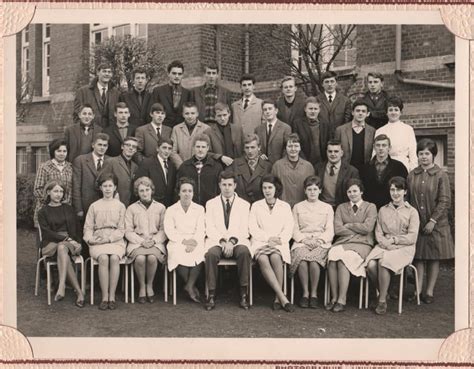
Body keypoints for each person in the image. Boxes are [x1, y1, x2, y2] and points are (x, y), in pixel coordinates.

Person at [407, 138, 454, 304]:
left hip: (436, 224)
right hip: (417, 224)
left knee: (433, 257)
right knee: (419, 257)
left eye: (427, 153)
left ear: (434, 155)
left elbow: (445, 201)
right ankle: (418, 291)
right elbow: (408, 199)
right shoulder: (412, 174)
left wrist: (432, 220)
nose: (424, 157)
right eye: (421, 153)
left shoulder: (441, 175)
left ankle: (429, 292)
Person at [365, 176, 420, 314]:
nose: (395, 193)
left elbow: (412, 237)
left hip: (404, 247)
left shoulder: (412, 212)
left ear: (405, 192)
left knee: (384, 261)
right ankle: (385, 291)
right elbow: (378, 232)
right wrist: (384, 243)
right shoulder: (383, 210)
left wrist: (394, 240)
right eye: (392, 190)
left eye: (399, 190)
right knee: (371, 264)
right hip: (384, 245)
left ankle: (382, 300)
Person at [326, 179, 377, 312]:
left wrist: (349, 225)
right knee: (333, 255)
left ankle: (342, 299)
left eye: (355, 191)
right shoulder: (341, 208)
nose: (352, 194)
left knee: (344, 259)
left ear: (361, 191)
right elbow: (338, 229)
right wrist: (356, 230)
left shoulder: (370, 207)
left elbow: (368, 228)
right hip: (343, 242)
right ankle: (334, 297)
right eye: (349, 191)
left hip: (363, 244)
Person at [204, 171, 252, 311]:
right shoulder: (211, 203)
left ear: (235, 185)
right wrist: (223, 242)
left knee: (244, 252)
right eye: (224, 184)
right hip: (217, 241)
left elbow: (244, 228)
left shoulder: (244, 204)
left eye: (230, 184)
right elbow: (210, 227)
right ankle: (211, 294)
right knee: (211, 254)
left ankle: (243, 293)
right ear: (219, 185)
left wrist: (231, 241)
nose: (227, 188)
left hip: (237, 240)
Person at [248, 174, 295, 312]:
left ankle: (276, 297)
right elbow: (252, 227)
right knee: (262, 258)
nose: (267, 190)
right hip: (260, 241)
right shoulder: (256, 206)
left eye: (270, 187)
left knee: (275, 257)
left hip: (279, 242)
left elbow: (289, 227)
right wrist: (268, 238)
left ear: (276, 188)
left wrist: (279, 239)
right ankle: (282, 296)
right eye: (264, 188)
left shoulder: (285, 206)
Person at [37, 180, 85, 307]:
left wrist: (77, 242)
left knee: (62, 248)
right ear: (48, 192)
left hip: (69, 242)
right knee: (62, 249)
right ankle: (78, 292)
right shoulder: (42, 212)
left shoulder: (68, 209)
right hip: (50, 244)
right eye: (55, 191)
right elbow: (47, 233)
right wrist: (65, 240)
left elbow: (76, 229)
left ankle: (62, 285)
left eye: (61, 191)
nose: (59, 194)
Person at [83, 172, 126, 310]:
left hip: (115, 240)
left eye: (110, 186)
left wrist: (109, 238)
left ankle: (112, 297)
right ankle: (104, 297)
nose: (107, 189)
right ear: (100, 188)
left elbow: (121, 229)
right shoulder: (94, 206)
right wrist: (90, 239)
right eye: (105, 186)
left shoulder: (120, 206)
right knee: (103, 258)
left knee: (114, 258)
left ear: (115, 188)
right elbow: (88, 227)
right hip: (98, 239)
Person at [291, 175, 334, 308]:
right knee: (303, 260)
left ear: (320, 190)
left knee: (314, 261)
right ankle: (305, 293)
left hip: (321, 242)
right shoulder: (298, 207)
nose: (312, 192)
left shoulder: (327, 208)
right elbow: (294, 228)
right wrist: (303, 240)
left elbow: (330, 229)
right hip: (302, 241)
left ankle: (314, 294)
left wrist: (320, 240)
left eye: (315, 189)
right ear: (305, 191)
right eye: (309, 189)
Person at [125, 177, 167, 304]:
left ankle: (150, 285)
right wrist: (140, 241)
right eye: (141, 190)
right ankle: (142, 287)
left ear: (151, 190)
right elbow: (127, 230)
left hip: (155, 242)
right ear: (137, 192)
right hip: (137, 242)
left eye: (147, 190)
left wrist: (154, 241)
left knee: (152, 258)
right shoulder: (131, 208)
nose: (144, 193)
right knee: (140, 258)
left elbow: (164, 229)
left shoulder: (160, 207)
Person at [163, 177, 205, 302]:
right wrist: (185, 242)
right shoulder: (171, 210)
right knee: (177, 253)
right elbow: (170, 231)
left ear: (193, 193)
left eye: (190, 191)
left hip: (195, 240)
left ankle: (188, 285)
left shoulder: (199, 209)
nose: (187, 194)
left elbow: (201, 229)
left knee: (199, 253)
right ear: (179, 192)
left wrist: (194, 242)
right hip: (177, 241)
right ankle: (191, 286)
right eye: (184, 191)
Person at [360, 134, 408, 210]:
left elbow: (405, 189)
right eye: (378, 145)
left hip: (392, 208)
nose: (381, 148)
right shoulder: (365, 168)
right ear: (374, 147)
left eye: (384, 145)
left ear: (389, 148)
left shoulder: (399, 167)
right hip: (370, 209)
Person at [34, 138, 73, 227]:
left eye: (64, 151)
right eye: (59, 151)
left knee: (63, 237)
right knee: (46, 237)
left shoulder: (70, 167)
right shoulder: (44, 167)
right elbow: (37, 189)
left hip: (64, 211)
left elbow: (70, 189)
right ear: (53, 151)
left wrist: (66, 202)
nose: (62, 154)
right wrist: (52, 202)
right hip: (46, 209)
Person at [176, 134, 223, 206]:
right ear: (193, 147)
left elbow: (220, 190)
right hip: (190, 208)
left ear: (207, 148)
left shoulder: (217, 167)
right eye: (198, 147)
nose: (200, 150)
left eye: (203, 147)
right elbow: (178, 190)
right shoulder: (184, 167)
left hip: (210, 208)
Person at [72, 133, 110, 220]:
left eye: (105, 145)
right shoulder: (80, 160)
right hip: (86, 206)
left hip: (105, 206)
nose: (102, 148)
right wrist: (78, 208)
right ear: (93, 145)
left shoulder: (110, 161)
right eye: (99, 144)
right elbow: (76, 186)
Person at [271, 133, 315, 208]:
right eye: (290, 146)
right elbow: (273, 187)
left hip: (303, 207)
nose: (293, 149)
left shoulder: (308, 166)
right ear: (285, 148)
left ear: (300, 148)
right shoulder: (277, 165)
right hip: (283, 206)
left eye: (296, 146)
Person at [374, 96, 417, 172]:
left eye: (396, 110)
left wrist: (412, 171)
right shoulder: (380, 131)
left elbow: (413, 153)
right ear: (386, 112)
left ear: (401, 112)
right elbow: (375, 152)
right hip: (384, 166)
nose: (393, 112)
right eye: (390, 110)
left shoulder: (408, 129)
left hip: (403, 166)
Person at [314, 140, 360, 209]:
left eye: (336, 151)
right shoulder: (318, 168)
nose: (333, 154)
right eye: (330, 151)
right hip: (322, 207)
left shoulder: (352, 171)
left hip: (343, 208)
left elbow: (356, 195)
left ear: (341, 153)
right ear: (326, 152)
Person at [74, 62, 120, 128]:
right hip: (91, 132)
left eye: (109, 72)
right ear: (98, 73)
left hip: (110, 133)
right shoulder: (83, 92)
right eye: (104, 71)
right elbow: (76, 115)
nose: (107, 74)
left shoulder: (116, 93)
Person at [335, 100, 376, 173]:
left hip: (365, 170)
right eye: (358, 111)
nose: (360, 113)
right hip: (345, 170)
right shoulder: (340, 130)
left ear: (368, 114)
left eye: (363, 111)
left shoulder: (372, 131)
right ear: (352, 112)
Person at [135, 137, 177, 208]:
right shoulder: (147, 163)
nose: (167, 151)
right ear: (157, 148)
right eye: (164, 148)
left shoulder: (172, 166)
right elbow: (139, 185)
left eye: (169, 148)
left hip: (168, 206)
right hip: (151, 205)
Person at [151, 60, 194, 129]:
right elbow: (152, 113)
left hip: (181, 130)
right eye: (174, 73)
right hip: (163, 129)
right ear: (168, 74)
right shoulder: (158, 91)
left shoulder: (187, 93)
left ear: (182, 75)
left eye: (179, 74)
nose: (177, 76)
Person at [231, 134, 272, 204]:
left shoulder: (267, 166)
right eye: (247, 148)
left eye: (253, 147)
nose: (250, 151)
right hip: (241, 205)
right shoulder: (236, 164)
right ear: (244, 148)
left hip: (260, 206)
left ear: (259, 147)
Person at [100, 136, 139, 207]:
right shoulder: (111, 162)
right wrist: (113, 194)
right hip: (112, 204)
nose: (131, 148)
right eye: (128, 145)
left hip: (130, 205)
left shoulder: (135, 166)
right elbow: (99, 182)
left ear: (135, 150)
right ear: (122, 147)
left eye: (134, 146)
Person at [292, 96, 330, 166]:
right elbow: (296, 144)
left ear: (319, 110)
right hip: (304, 162)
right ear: (305, 109)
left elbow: (329, 143)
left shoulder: (325, 124)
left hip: (323, 163)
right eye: (310, 109)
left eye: (315, 109)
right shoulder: (297, 124)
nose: (313, 111)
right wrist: (304, 162)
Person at [204, 102, 244, 167]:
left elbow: (244, 148)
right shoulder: (208, 132)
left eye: (225, 115)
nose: (222, 118)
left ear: (229, 114)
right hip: (217, 167)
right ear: (215, 117)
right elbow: (206, 153)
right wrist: (220, 157)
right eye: (219, 116)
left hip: (237, 167)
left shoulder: (238, 129)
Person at [171, 102, 210, 167]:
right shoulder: (176, 129)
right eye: (187, 113)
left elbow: (208, 150)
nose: (190, 116)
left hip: (200, 167)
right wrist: (182, 166)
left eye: (193, 113)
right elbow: (173, 151)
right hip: (181, 167)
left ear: (197, 114)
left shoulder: (206, 128)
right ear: (183, 114)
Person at [255, 99, 291, 164]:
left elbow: (287, 148)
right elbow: (256, 146)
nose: (267, 112)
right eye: (265, 110)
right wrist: (260, 155)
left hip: (279, 165)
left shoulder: (285, 128)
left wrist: (281, 163)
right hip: (262, 165)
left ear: (276, 111)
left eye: (270, 109)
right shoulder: (258, 129)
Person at [316, 71, 352, 137]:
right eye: (326, 82)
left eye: (332, 81)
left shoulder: (345, 101)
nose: (329, 84)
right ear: (322, 84)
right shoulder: (317, 100)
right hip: (321, 137)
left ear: (336, 83)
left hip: (339, 136)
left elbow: (347, 122)